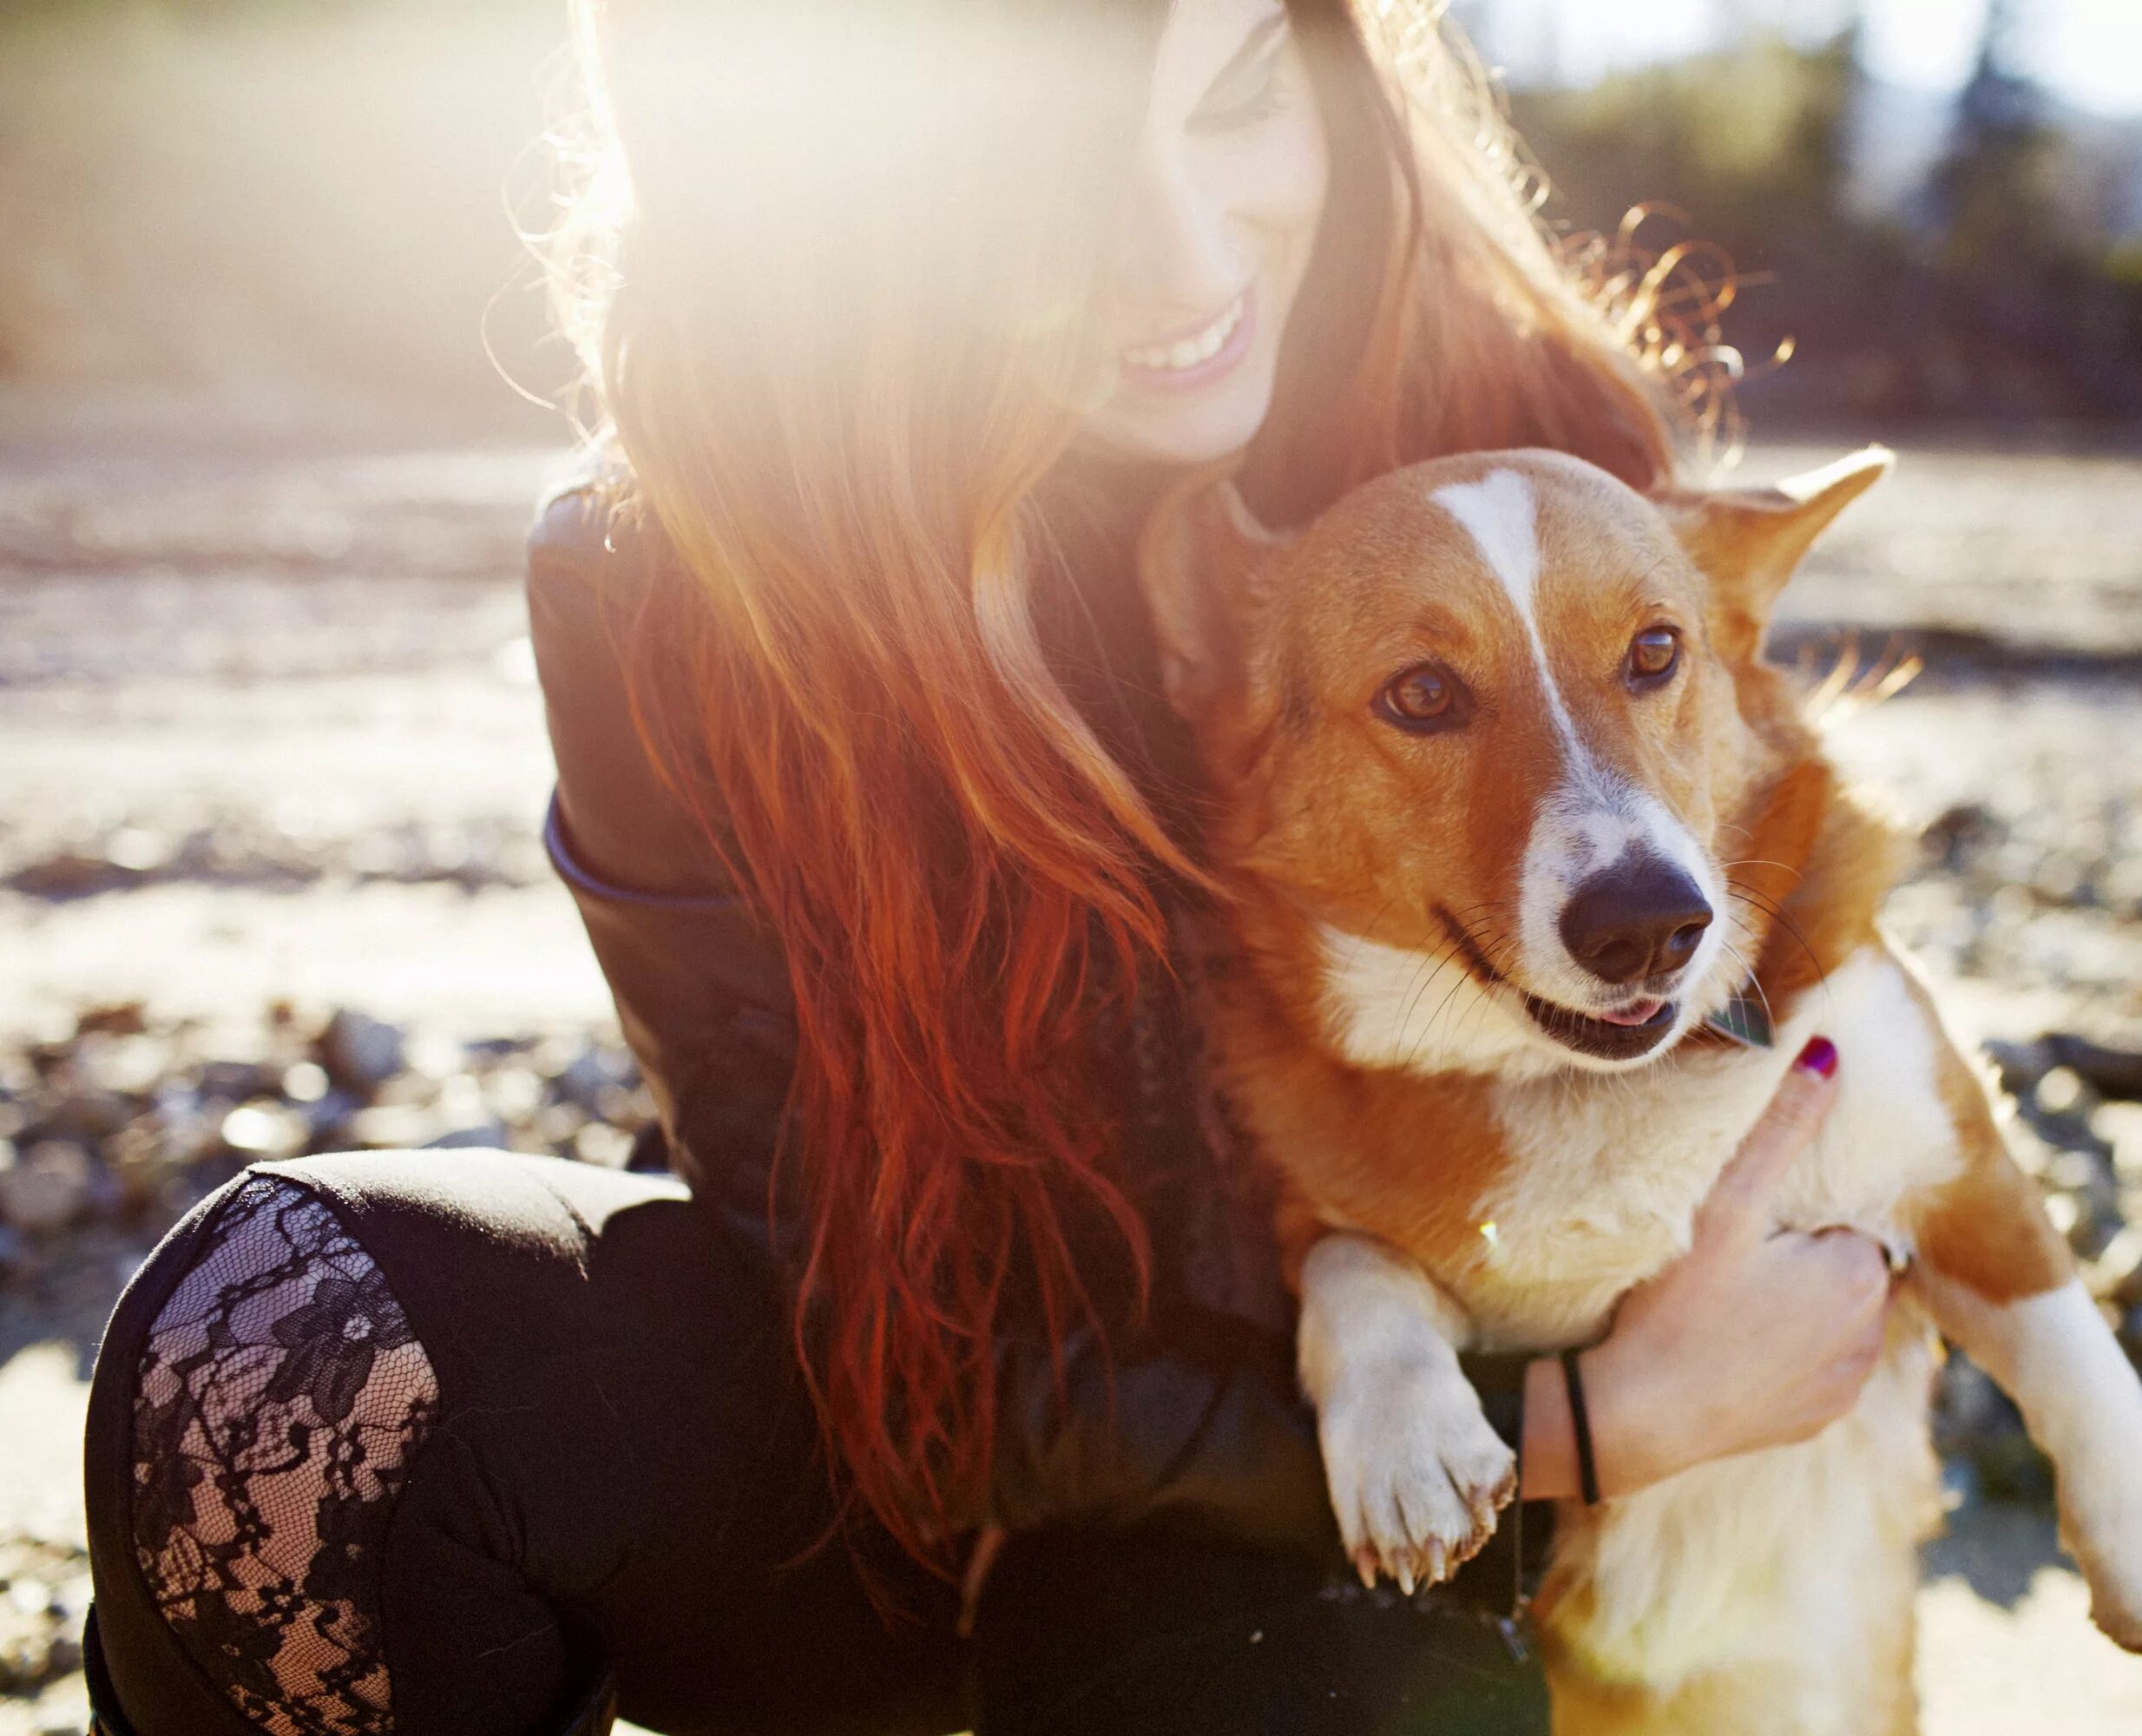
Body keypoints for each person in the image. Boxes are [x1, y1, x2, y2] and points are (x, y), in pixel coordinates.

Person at [81, 2, 1895, 1732]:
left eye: (1242, 89)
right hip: (911, 1462)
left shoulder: (1512, 440)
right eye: (1063, 177)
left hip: (1413, 1465)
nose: (1186, 264)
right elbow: (882, 1344)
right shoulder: (678, 587)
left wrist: (1708, 1339)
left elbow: (1752, 964)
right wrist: (1590, 1419)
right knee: (279, 1344)